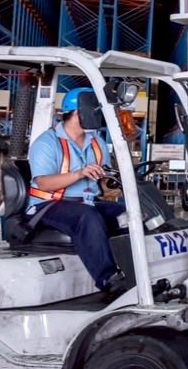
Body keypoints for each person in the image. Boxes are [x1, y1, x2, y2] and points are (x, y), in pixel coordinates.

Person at [27, 87, 126, 293]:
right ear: (78, 112)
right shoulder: (47, 143)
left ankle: (134, 270)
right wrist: (80, 173)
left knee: (127, 214)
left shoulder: (97, 142)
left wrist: (116, 184)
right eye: (95, 110)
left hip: (87, 202)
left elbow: (103, 182)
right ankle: (108, 279)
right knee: (87, 216)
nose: (98, 115)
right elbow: (43, 183)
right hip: (47, 206)